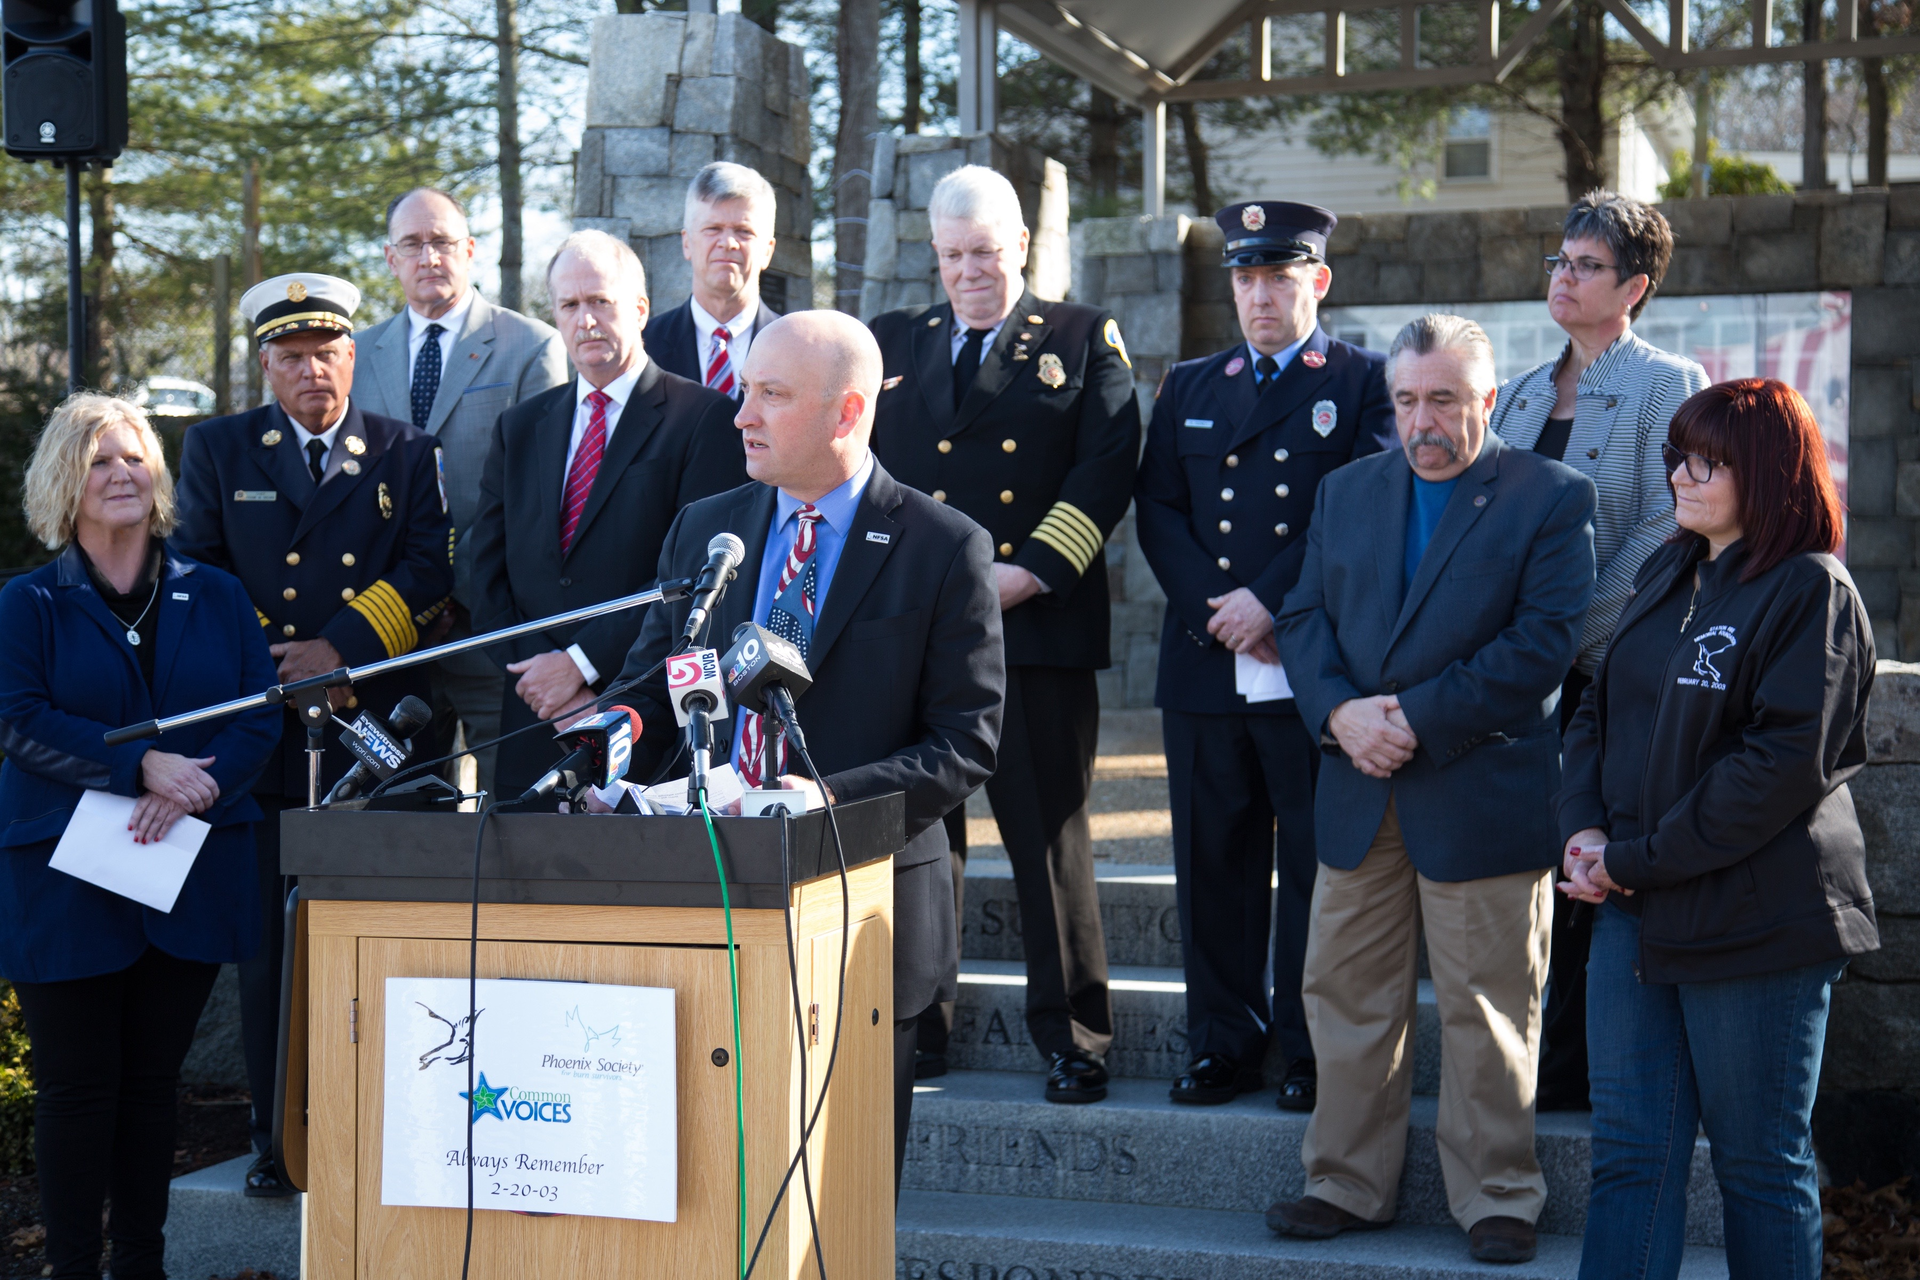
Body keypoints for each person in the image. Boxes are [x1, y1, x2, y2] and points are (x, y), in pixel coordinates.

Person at [609, 309, 1004, 1186]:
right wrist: (613, 734)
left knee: (844, 1192)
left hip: (861, 910)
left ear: (846, 411)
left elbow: (964, 744)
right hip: (706, 896)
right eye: (745, 391)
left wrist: (822, 799)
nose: (741, 415)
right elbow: (651, 682)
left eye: (772, 396)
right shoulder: (709, 530)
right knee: (712, 1179)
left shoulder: (943, 547)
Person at [1269, 314, 1597, 1266]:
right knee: (1346, 993)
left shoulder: (1549, 496)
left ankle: (1498, 1194)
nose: (1423, 420)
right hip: (1359, 787)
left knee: (1489, 1004)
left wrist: (1409, 716)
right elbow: (1302, 617)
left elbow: (1544, 642)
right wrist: (1339, 715)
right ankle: (1343, 1181)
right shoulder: (1347, 491)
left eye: (1444, 400)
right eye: (1408, 400)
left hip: (1478, 789)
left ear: (1488, 400)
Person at [1558, 379, 1878, 1280]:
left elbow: (1773, 771)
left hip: (1754, 922)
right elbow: (1596, 711)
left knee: (1758, 1169)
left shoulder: (1811, 592)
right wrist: (1584, 832)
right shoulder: (1670, 566)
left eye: (1708, 460)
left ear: (1769, 473)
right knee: (1628, 1161)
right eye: (1677, 456)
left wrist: (1632, 861)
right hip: (1633, 908)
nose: (1682, 475)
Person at [173, 272, 455, 1195]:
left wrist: (338, 648)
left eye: (326, 354)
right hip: (261, 733)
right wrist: (271, 666)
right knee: (268, 947)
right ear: (265, 368)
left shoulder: (406, 452)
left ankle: (376, 1129)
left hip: (370, 723)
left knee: (377, 934)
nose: (311, 373)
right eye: (291, 358)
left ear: (353, 357)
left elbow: (427, 570)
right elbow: (199, 571)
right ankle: (273, 1139)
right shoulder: (216, 449)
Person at [869, 164, 1140, 1104]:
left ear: (1020, 245)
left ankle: (1073, 1034)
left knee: (1047, 837)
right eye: (951, 255)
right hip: (920, 642)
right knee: (923, 840)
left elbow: (1106, 468)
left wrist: (1030, 573)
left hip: (1035, 627)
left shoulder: (1077, 335)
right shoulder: (892, 342)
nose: (968, 271)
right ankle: (920, 1023)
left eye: (984, 251)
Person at [0, 394, 279, 1280]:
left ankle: (141, 1264)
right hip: (62, 874)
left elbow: (256, 716)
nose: (120, 473)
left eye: (133, 458)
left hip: (187, 860)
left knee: (154, 1088)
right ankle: (74, 1266)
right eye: (98, 460)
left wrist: (192, 788)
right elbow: (17, 719)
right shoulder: (28, 601)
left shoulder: (218, 592)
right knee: (78, 1091)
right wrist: (142, 767)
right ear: (64, 482)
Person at [1133, 200, 1394, 1113]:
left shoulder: (1363, 382)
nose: (1259, 297)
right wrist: (1218, 605)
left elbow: (1356, 509)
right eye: (1245, 279)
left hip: (1307, 660)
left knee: (1316, 864)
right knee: (1213, 863)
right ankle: (1221, 1045)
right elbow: (1158, 509)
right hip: (1208, 656)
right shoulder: (1191, 386)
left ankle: (1309, 1046)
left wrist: (1269, 600)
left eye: (1278, 278)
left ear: (1317, 282)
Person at [1488, 189, 1710, 1112]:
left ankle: (1574, 1069)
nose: (1563, 279)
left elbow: (1670, 522)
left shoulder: (1669, 382)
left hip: (1607, 665)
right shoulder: (1529, 389)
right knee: (1520, 862)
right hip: (1516, 673)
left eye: (1585, 267)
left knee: (1589, 865)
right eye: (1559, 262)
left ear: (1635, 287)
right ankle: (1514, 1056)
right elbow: (1491, 517)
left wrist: (1563, 624)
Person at [469, 230, 745, 798]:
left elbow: (691, 579)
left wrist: (582, 666)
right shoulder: (520, 427)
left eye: (600, 301)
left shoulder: (704, 419)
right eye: (569, 305)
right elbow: (487, 572)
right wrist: (542, 678)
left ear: (640, 309)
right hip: (531, 714)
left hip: (636, 710)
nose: (585, 320)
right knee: (519, 881)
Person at [350, 187, 569, 798]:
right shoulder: (357, 354)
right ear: (390, 258)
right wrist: (405, 601)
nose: (429, 257)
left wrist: (454, 590)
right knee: (396, 818)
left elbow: (533, 498)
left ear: (469, 251)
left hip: (488, 627)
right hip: (389, 637)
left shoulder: (531, 347)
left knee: (512, 811)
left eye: (443, 242)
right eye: (413, 244)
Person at [642, 162, 782, 395]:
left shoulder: (793, 349)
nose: (728, 242)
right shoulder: (643, 346)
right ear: (687, 243)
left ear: (767, 250)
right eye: (713, 228)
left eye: (743, 231)